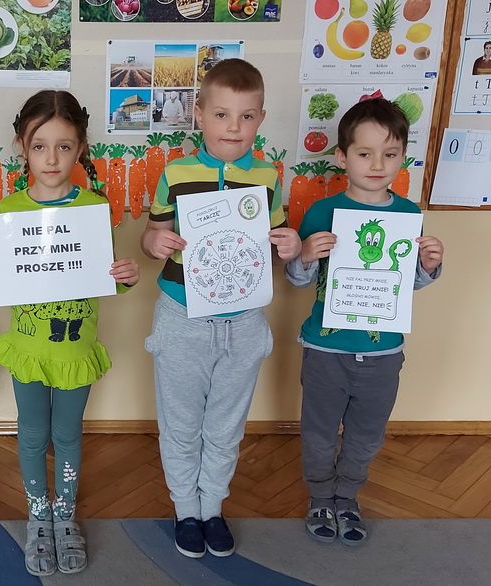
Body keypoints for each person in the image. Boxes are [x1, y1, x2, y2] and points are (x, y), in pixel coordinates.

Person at [0, 90, 139, 576]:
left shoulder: (94, 208)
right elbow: (1, 280)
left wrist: (125, 278)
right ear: (23, 147)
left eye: (64, 146)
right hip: (28, 349)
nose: (52, 159)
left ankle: (65, 513)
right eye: (40, 146)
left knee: (67, 434)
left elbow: (102, 276)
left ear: (80, 147)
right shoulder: (8, 209)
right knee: (31, 433)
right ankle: (38, 515)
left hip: (75, 351)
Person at [140, 58, 301, 559]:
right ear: (200, 115)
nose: (234, 127)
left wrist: (290, 245)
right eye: (222, 114)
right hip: (182, 319)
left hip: (243, 322)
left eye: (247, 116)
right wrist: (155, 242)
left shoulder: (268, 176)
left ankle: (212, 507)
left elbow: (275, 242)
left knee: (226, 428)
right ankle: (185, 509)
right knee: (181, 426)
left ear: (261, 119)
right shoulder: (176, 172)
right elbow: (151, 234)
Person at [286, 96, 444, 546]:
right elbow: (298, 280)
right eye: (364, 153)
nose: (377, 164)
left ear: (402, 157)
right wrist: (305, 255)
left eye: (389, 154)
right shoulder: (322, 212)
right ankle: (321, 497)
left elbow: (404, 285)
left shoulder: (408, 215)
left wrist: (429, 266)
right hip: (325, 350)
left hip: (383, 352)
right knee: (319, 432)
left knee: (367, 434)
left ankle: (348, 497)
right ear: (342, 157)